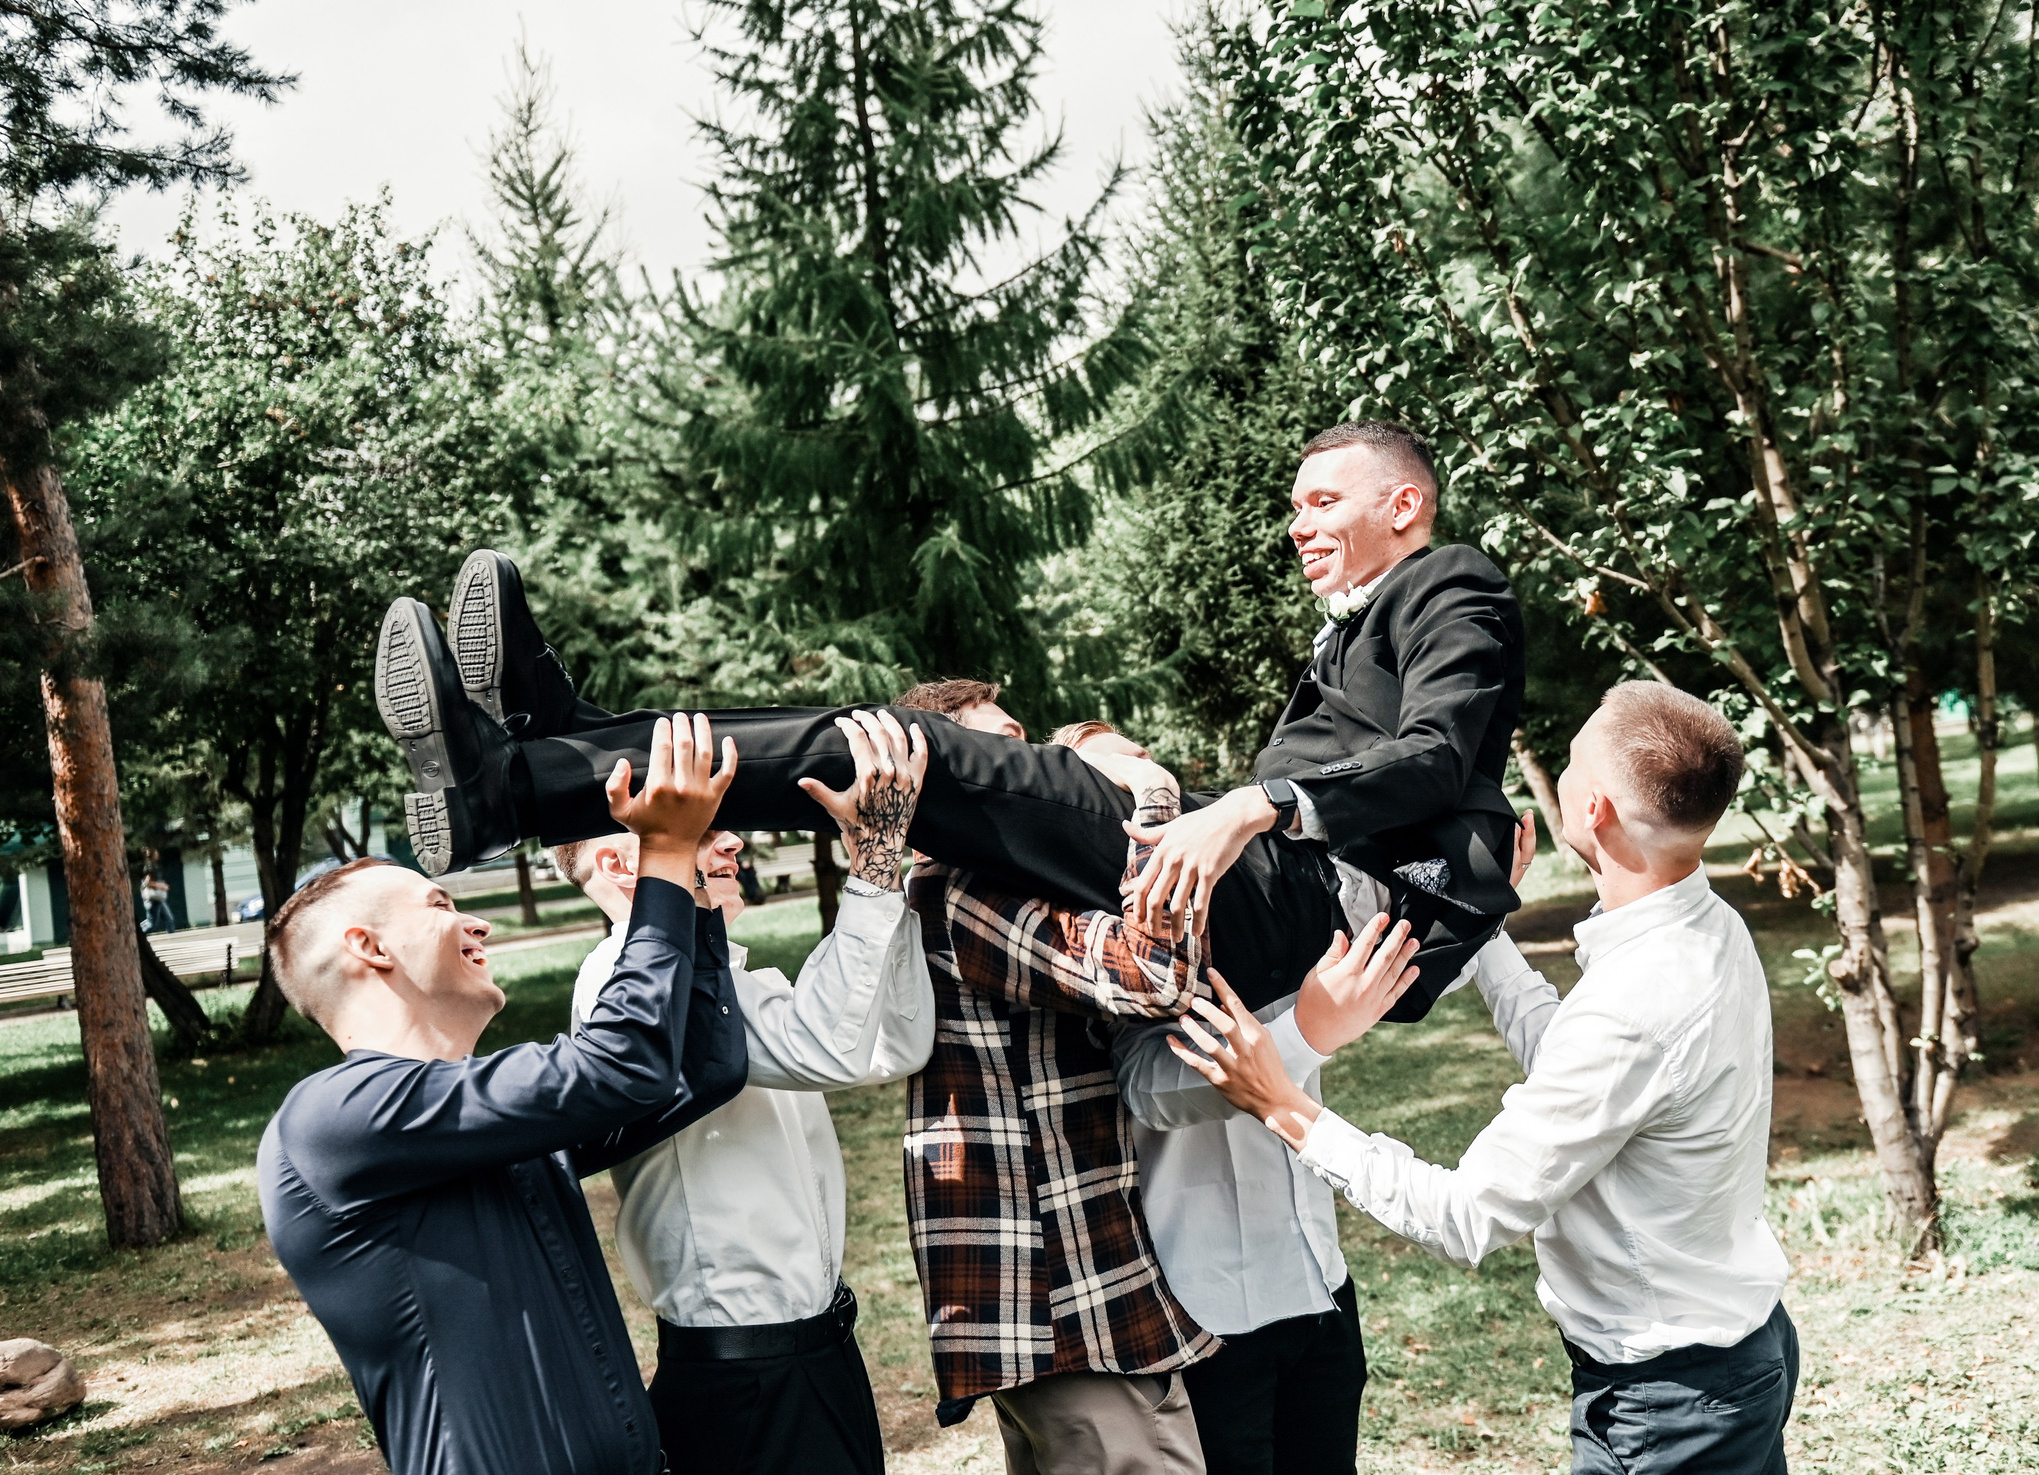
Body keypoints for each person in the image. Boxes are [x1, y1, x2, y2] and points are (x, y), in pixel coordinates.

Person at [378, 420, 1524, 1023]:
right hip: (1269, 891)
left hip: (1296, 901)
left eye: (1322, 502)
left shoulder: (1451, 581)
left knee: (902, 752)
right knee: (878, 740)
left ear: (1404, 505)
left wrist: (1248, 806)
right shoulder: (1380, 609)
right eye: (1295, 507)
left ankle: (522, 787)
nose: (1298, 526)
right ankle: (566, 746)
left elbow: (1433, 757)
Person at [1171, 682, 1828, 1475]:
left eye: (1570, 763)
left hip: (1667, 1397)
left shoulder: (1637, 1002)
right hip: (1740, 1347)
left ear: (1590, 808)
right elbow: (1582, 1061)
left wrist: (1286, 1105)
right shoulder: (1703, 928)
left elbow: (1467, 1215)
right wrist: (1478, 921)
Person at [257, 662, 745, 1475]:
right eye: (440, 905)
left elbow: (704, 1067)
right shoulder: (332, 1121)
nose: (473, 918)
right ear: (369, 948)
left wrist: (702, 892)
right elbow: (624, 1064)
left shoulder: (479, 1112)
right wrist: (664, 863)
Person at [554, 708, 935, 1475]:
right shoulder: (627, 981)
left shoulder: (738, 979)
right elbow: (833, 1047)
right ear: (621, 862)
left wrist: (896, 878)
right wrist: (871, 865)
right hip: (745, 1380)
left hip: (812, 1356)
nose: (731, 847)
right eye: (706, 830)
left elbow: (892, 1043)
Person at [1111, 800, 1534, 1475]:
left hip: (1317, 1280)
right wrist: (1305, 1032)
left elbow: (1394, 962)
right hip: (1209, 1310)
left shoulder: (1271, 896)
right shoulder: (1123, 941)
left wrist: (1477, 901)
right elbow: (1147, 1086)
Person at [897, 687, 1226, 1475]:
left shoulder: (980, 881)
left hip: (1052, 1303)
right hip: (1071, 1308)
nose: (1039, 772)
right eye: (1003, 754)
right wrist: (1152, 793)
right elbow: (1152, 971)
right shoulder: (966, 890)